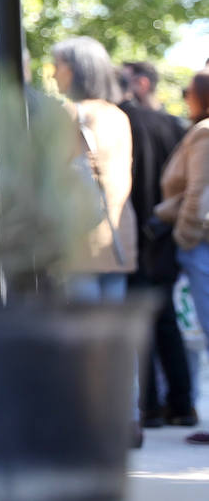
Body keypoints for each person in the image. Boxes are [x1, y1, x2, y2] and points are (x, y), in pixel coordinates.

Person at [119, 60, 196, 428]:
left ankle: (149, 407)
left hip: (138, 234)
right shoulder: (175, 126)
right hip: (162, 237)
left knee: (140, 320)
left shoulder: (122, 121)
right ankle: (181, 405)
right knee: (165, 322)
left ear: (143, 82)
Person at [52, 37, 137, 299]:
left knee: (83, 332)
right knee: (112, 331)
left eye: (58, 65)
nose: (54, 74)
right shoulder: (118, 115)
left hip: (79, 239)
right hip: (117, 237)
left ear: (75, 69)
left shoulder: (69, 114)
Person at [161, 70, 209, 445]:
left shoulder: (205, 132)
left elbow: (198, 191)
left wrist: (184, 237)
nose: (184, 96)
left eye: (189, 91)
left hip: (201, 244)